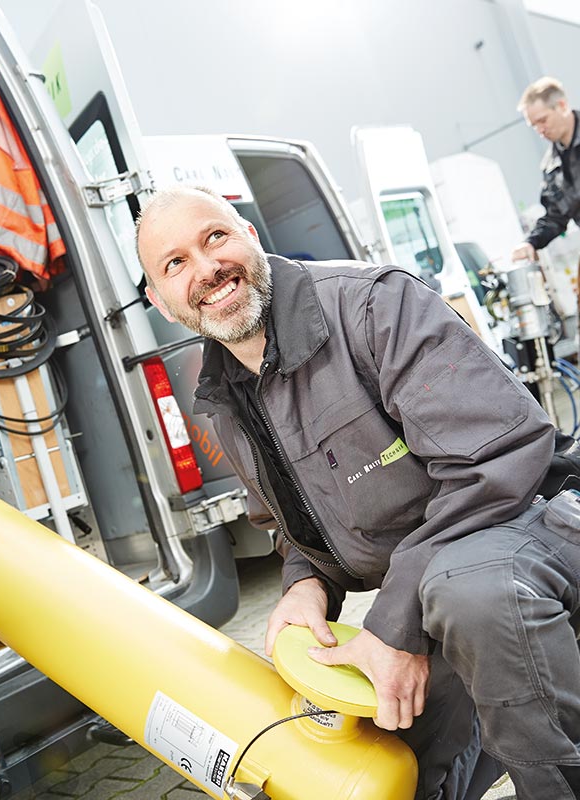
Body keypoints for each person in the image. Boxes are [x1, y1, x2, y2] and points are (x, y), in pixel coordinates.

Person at [136, 184, 580, 800]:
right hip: (433, 588)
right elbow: (298, 523)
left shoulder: (373, 305)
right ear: (161, 301)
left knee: (472, 593)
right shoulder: (224, 398)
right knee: (386, 775)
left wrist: (391, 627)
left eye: (215, 237)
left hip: (532, 535)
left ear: (251, 237)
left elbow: (496, 461)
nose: (207, 269)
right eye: (175, 263)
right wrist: (304, 582)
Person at [511, 77, 580, 271]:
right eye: (534, 125)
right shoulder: (551, 166)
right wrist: (531, 243)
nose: (540, 130)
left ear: (562, 106)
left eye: (543, 120)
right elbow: (555, 217)